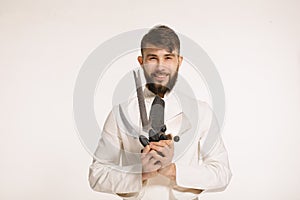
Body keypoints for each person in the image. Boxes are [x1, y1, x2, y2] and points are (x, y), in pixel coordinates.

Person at [89, 25, 232, 200]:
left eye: (168, 58)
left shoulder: (201, 112)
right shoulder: (120, 114)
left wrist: (171, 170)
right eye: (152, 58)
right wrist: (141, 173)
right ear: (141, 62)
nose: (160, 66)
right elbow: (97, 175)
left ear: (179, 61)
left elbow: (222, 174)